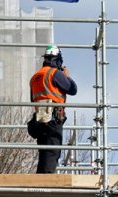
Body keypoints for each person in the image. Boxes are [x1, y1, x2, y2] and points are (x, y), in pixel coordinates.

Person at [27, 45, 77, 174]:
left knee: (44, 151)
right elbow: (73, 89)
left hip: (39, 117)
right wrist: (67, 76)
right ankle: (46, 183)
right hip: (53, 117)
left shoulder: (35, 77)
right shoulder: (55, 73)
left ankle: (40, 180)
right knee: (53, 151)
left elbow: (33, 99)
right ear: (57, 59)